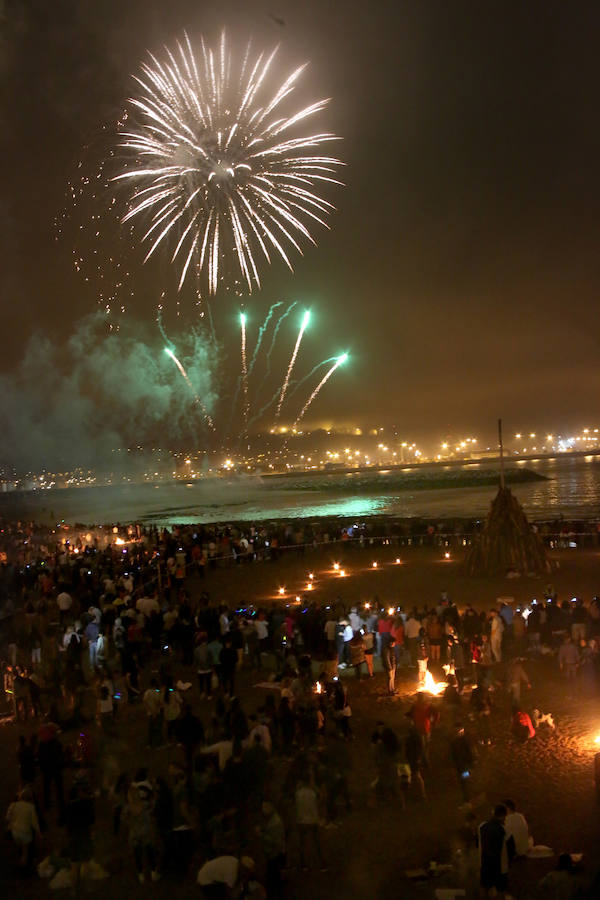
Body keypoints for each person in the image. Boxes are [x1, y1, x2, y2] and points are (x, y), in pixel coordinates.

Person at [126, 770, 160, 883]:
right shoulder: (147, 806)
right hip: (147, 831)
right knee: (150, 851)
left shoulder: (129, 807)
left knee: (138, 853)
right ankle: (153, 873)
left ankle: (141, 875)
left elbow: (123, 818)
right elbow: (154, 806)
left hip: (135, 832)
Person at [479, 804, 509, 898]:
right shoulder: (502, 830)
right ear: (502, 816)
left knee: (484, 888)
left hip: (485, 863)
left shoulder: (482, 826)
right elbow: (505, 850)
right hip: (499, 866)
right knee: (501, 890)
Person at [6, 786, 40, 869]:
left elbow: (7, 817)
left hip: (15, 831)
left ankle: (20, 862)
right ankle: (23, 868)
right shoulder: (31, 807)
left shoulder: (13, 805)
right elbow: (34, 823)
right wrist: (39, 833)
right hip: (25, 833)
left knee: (20, 848)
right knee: (25, 852)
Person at [259, 800, 286, 899]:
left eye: (266, 807)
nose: (263, 810)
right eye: (263, 807)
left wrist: (261, 835)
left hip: (274, 855)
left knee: (274, 880)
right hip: (273, 854)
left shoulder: (275, 822)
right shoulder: (271, 820)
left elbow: (276, 842)